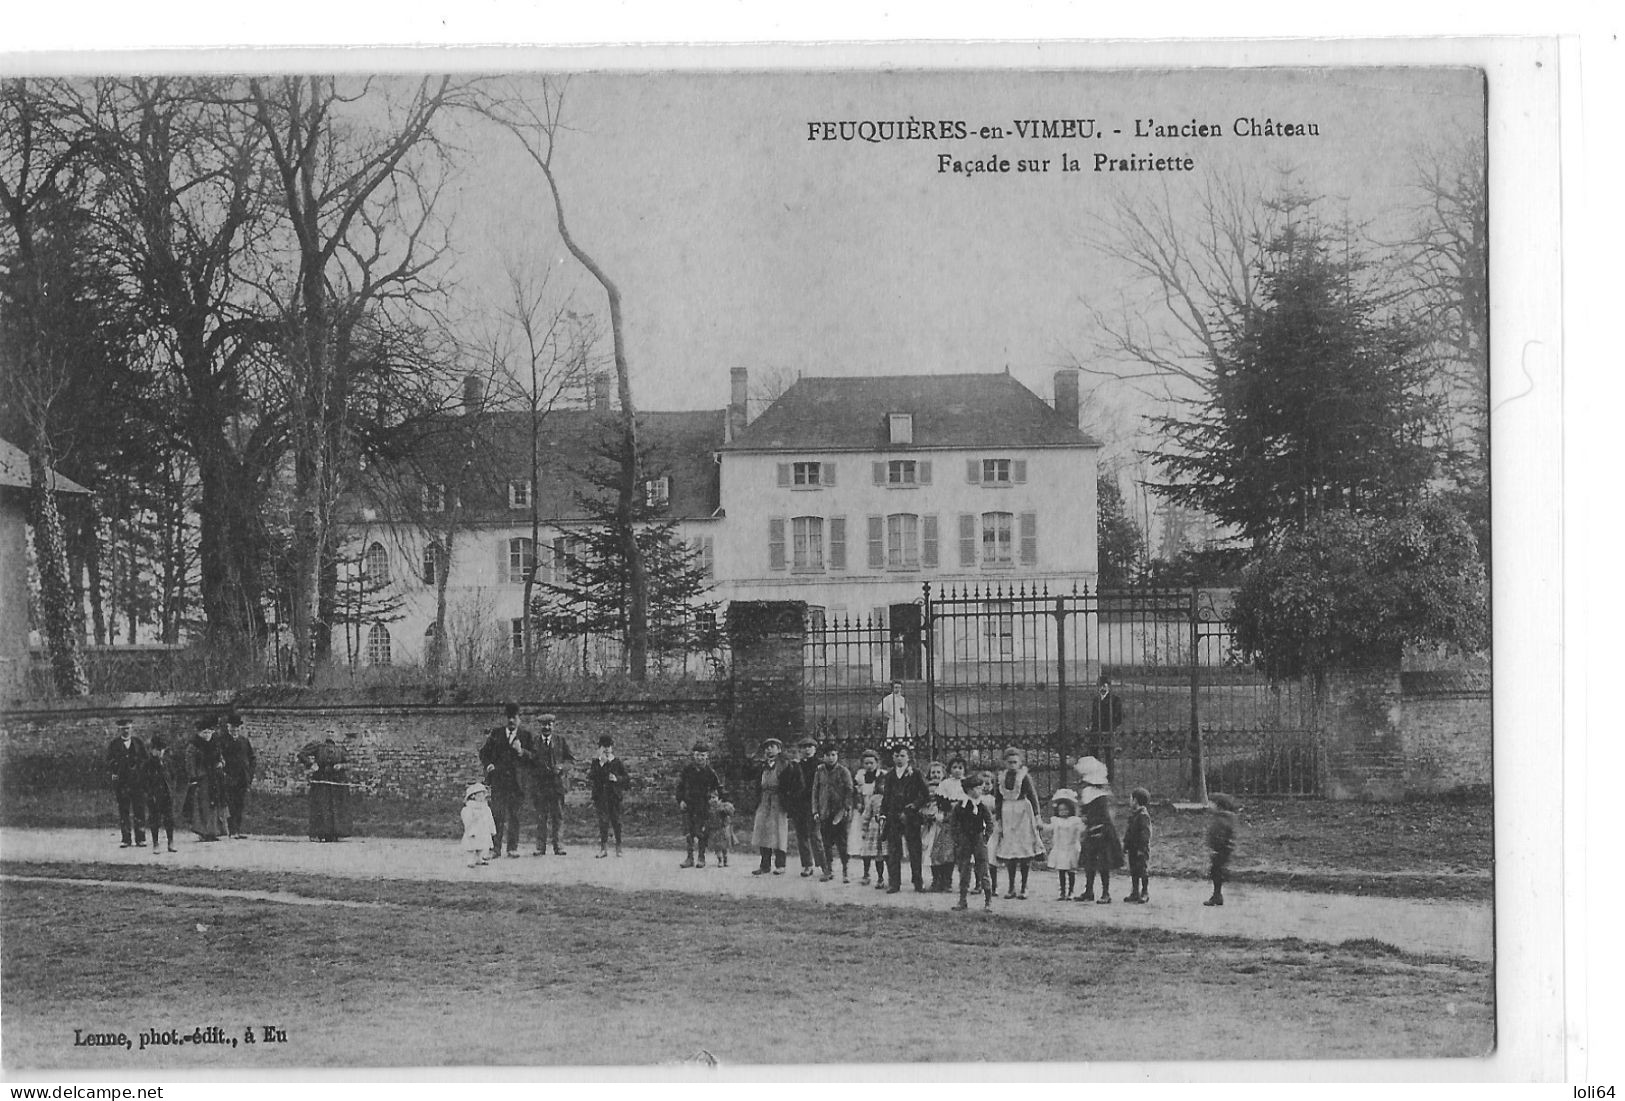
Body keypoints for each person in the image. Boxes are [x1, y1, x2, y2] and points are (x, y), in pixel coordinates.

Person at [478, 702, 534, 858]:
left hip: (517, 783)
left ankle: (512, 848)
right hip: (499, 782)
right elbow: (484, 753)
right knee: (497, 815)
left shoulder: (526, 736)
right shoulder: (496, 734)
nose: (511, 721)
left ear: (519, 719)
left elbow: (534, 757)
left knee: (515, 815)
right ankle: (495, 849)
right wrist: (489, 764)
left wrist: (521, 751)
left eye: (514, 718)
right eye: (509, 718)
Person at [993, 747, 1045, 900]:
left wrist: (1037, 817)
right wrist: (999, 820)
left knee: (1023, 850)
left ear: (1020, 762)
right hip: (1007, 813)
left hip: (1022, 813)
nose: (1012, 765)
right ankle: (1011, 887)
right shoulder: (1001, 778)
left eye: (1015, 762)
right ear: (1005, 763)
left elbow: (1033, 797)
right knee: (1010, 851)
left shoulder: (1024, 777)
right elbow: (998, 800)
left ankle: (1024, 887)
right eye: (1009, 762)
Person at [877, 743, 928, 893]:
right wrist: (883, 813)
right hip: (893, 816)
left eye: (902, 755)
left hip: (910, 817)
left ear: (909, 757)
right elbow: (886, 797)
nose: (899, 759)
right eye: (896, 756)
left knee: (914, 849)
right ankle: (894, 882)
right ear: (892, 758)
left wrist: (914, 805)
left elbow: (925, 794)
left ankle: (918, 881)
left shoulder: (916, 773)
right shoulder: (890, 775)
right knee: (894, 850)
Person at [1074, 755, 1124, 904]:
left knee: (1103, 863)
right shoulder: (1088, 793)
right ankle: (1089, 891)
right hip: (1091, 831)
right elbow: (1085, 812)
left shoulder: (1101, 797)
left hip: (1102, 833)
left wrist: (1096, 827)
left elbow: (1105, 817)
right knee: (1089, 863)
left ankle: (1105, 893)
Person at [781, 736, 829, 879]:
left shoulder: (821, 766)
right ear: (800, 750)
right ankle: (807, 865)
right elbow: (785, 782)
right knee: (802, 835)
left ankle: (824, 864)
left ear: (815, 749)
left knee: (815, 835)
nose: (807, 750)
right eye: (804, 747)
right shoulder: (796, 766)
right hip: (799, 805)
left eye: (810, 747)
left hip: (813, 804)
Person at [950, 772, 995, 912]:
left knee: (983, 868)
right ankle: (962, 900)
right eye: (977, 788)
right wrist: (957, 838)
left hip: (978, 839)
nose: (981, 790)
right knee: (964, 869)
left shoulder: (982, 806)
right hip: (964, 840)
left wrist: (985, 837)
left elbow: (989, 823)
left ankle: (988, 901)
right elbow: (953, 823)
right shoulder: (960, 806)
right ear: (969, 790)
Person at [531, 712, 575, 855]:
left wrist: (562, 767)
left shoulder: (560, 741)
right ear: (540, 726)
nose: (547, 727)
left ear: (553, 725)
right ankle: (540, 847)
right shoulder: (535, 742)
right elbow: (529, 762)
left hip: (557, 785)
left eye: (549, 724)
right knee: (541, 817)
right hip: (541, 785)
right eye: (544, 724)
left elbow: (570, 761)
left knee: (558, 816)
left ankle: (559, 846)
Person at [676, 740, 724, 868]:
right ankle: (689, 857)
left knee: (702, 832)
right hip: (689, 805)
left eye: (702, 755)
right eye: (697, 755)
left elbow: (718, 788)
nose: (700, 758)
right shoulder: (687, 771)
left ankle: (701, 857)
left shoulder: (710, 773)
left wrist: (716, 799)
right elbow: (680, 787)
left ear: (707, 756)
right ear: (693, 755)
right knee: (689, 832)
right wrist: (681, 800)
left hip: (703, 806)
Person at [811, 742, 854, 883]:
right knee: (826, 843)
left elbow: (849, 791)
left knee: (842, 843)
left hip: (839, 813)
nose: (830, 758)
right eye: (828, 755)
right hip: (824, 812)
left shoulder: (843, 771)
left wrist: (846, 808)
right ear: (823, 757)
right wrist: (815, 810)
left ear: (837, 756)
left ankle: (845, 871)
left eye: (833, 755)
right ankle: (828, 870)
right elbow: (815, 791)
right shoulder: (819, 771)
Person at [297, 734, 352, 842]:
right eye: (329, 732)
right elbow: (302, 754)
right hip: (321, 780)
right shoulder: (318, 747)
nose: (331, 735)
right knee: (321, 807)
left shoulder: (340, 749)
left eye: (333, 732)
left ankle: (333, 833)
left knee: (334, 807)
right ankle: (317, 833)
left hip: (336, 782)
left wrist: (341, 766)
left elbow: (349, 763)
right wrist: (311, 764)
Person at [750, 737, 792, 875]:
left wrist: (787, 799)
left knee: (779, 833)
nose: (769, 749)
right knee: (762, 831)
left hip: (778, 801)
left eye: (772, 746)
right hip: (764, 800)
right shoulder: (762, 766)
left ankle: (780, 864)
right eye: (767, 747)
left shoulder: (785, 765)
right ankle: (764, 865)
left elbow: (793, 784)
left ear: (779, 749)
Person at [105, 718, 147, 848]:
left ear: (131, 728)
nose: (126, 731)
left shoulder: (138, 743)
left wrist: (141, 773)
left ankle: (140, 838)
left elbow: (145, 760)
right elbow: (109, 763)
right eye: (123, 729)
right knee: (124, 811)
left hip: (137, 783)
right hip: (122, 784)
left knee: (139, 809)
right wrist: (116, 776)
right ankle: (126, 839)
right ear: (119, 730)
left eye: (128, 728)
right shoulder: (114, 745)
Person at [185, 716, 228, 841]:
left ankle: (214, 831)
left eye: (209, 732)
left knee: (215, 804)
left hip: (215, 778)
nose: (207, 735)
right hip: (202, 779)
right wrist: (194, 778)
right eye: (204, 732)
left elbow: (221, 758)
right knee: (203, 806)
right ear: (199, 733)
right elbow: (190, 763)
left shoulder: (215, 744)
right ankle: (203, 832)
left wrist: (221, 763)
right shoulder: (194, 746)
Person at [927, 758, 968, 891]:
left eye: (960, 768)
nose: (957, 770)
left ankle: (950, 881)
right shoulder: (945, 784)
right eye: (954, 767)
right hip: (946, 819)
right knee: (942, 851)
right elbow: (940, 800)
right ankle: (939, 880)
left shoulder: (966, 783)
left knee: (954, 853)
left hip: (961, 820)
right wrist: (948, 807)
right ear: (950, 769)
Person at [588, 734, 629, 858]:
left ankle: (619, 847)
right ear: (599, 748)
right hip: (601, 797)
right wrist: (601, 764)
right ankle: (603, 848)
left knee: (616, 821)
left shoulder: (616, 762)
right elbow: (591, 776)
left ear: (612, 748)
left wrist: (617, 778)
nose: (606, 749)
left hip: (614, 796)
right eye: (603, 747)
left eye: (608, 746)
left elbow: (626, 778)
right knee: (603, 822)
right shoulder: (596, 763)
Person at [850, 749, 887, 886]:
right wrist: (858, 802)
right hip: (865, 814)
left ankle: (880, 877)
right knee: (865, 848)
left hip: (879, 818)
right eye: (866, 763)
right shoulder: (860, 776)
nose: (869, 765)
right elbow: (856, 792)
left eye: (872, 763)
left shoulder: (882, 775)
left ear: (877, 763)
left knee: (879, 851)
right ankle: (866, 874)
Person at [1042, 788, 1085, 901]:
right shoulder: (1056, 820)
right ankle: (1062, 891)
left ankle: (1071, 891)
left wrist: (1085, 826)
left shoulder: (1075, 820)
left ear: (1070, 810)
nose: (1063, 812)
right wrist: (1041, 826)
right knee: (1061, 871)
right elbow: (1049, 828)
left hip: (1071, 848)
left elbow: (1081, 830)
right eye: (1061, 810)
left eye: (1066, 810)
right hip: (1060, 848)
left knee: (1071, 871)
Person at [142, 734, 182, 854]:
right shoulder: (147, 764)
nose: (159, 752)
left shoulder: (167, 762)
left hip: (167, 794)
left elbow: (173, 776)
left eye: (162, 750)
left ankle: (171, 842)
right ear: (152, 750)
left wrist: (172, 789)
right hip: (154, 796)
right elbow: (144, 782)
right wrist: (150, 794)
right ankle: (156, 844)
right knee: (155, 819)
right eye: (157, 750)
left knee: (169, 819)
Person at [220, 712, 257, 839]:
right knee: (230, 804)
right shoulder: (222, 741)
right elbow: (218, 758)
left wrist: (249, 774)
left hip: (242, 778)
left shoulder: (244, 741)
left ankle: (238, 829)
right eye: (232, 727)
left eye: (237, 728)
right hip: (229, 778)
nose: (234, 730)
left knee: (240, 804)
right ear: (228, 727)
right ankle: (232, 830)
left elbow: (252, 758)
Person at [1204, 793, 1240, 906]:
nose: (1209, 805)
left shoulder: (1222, 819)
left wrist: (1216, 848)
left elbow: (1220, 835)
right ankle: (1217, 895)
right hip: (1220, 849)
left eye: (1211, 803)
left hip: (1220, 850)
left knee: (1216, 872)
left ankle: (1217, 896)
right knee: (1216, 871)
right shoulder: (1221, 817)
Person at [1087, 675, 1125, 782]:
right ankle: (1095, 776)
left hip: (1108, 730)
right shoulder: (1096, 700)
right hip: (1096, 731)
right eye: (1100, 686)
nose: (1102, 688)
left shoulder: (1115, 700)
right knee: (1093, 754)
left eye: (1104, 686)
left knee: (1109, 755)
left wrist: (1112, 728)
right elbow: (1093, 715)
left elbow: (1119, 718)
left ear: (1108, 687)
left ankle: (1109, 778)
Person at [1125, 787, 1154, 903]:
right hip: (1133, 848)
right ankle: (1135, 892)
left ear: (1136, 801)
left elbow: (1145, 833)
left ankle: (1145, 892)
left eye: (1131, 799)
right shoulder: (1134, 815)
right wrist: (1126, 844)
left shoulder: (1143, 815)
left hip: (1140, 849)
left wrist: (1142, 848)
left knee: (1142, 870)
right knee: (1134, 870)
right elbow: (1129, 831)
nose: (1130, 801)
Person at [461, 783, 496, 867]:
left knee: (482, 845)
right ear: (473, 796)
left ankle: (479, 858)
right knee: (471, 846)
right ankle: (470, 860)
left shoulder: (486, 808)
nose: (481, 798)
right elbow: (467, 820)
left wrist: (492, 829)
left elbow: (490, 819)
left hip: (483, 830)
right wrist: (470, 830)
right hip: (474, 830)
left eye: (483, 796)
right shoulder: (469, 808)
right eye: (479, 796)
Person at [707, 794, 734, 867]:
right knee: (716, 846)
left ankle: (725, 859)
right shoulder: (709, 808)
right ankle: (720, 860)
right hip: (714, 829)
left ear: (719, 798)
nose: (712, 800)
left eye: (714, 797)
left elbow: (730, 813)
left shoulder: (723, 806)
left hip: (722, 829)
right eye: (710, 798)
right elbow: (707, 819)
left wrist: (724, 810)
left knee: (724, 845)